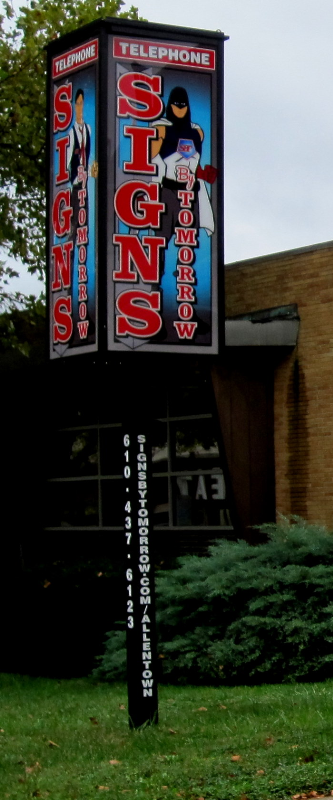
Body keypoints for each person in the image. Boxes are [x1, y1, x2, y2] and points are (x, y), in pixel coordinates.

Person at [151, 86, 216, 243]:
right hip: (169, 189)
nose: (179, 108)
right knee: (161, 238)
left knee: (189, 240)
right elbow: (150, 155)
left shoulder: (197, 132)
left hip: (190, 192)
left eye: (183, 104)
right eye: (176, 104)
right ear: (170, 105)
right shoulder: (162, 128)